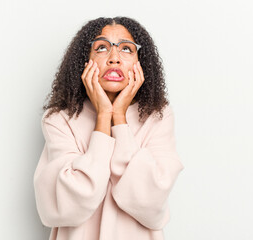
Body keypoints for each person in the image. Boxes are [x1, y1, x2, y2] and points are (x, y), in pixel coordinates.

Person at [33, 16, 184, 240]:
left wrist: (119, 117)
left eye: (126, 49)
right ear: (85, 61)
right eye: (102, 48)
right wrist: (104, 116)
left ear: (140, 63)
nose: (114, 58)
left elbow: (150, 202)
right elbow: (70, 204)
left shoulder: (158, 117)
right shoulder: (60, 119)